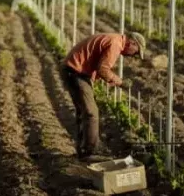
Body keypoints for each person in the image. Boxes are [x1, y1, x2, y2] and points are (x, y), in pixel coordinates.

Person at [62, 31, 146, 162]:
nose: (133, 56)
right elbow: (103, 69)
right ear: (132, 43)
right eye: (136, 52)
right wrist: (120, 82)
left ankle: (83, 150)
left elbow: (97, 65)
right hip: (75, 72)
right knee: (91, 112)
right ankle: (91, 151)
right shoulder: (115, 44)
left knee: (84, 112)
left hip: (74, 71)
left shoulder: (114, 39)